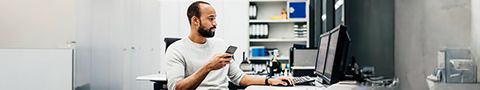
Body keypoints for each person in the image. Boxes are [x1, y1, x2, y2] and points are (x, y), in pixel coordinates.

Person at [166, 1, 294, 90]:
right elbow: (177, 88)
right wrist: (208, 67)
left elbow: (239, 78)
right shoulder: (176, 49)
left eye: (215, 18)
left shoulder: (220, 44)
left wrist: (269, 81)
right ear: (195, 20)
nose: (215, 23)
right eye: (211, 19)